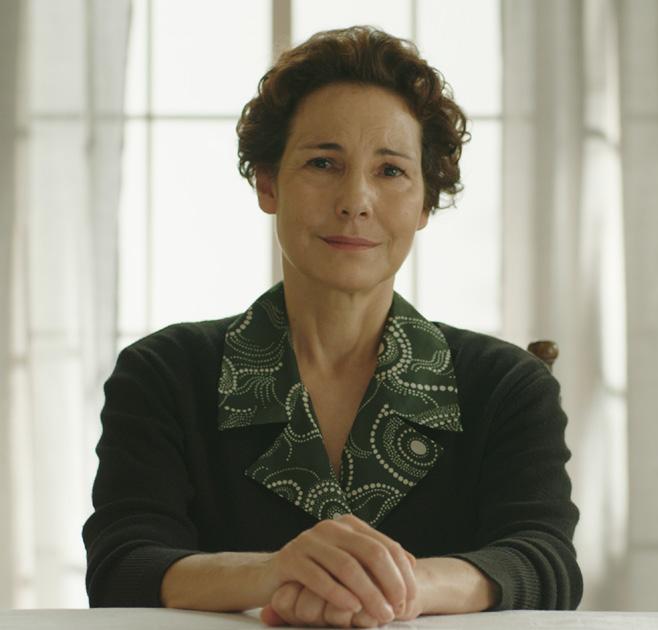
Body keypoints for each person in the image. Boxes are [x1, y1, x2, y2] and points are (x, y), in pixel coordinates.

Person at [83, 25, 582, 628]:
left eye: (391, 171)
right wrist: (276, 572)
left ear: (426, 203)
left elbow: (543, 562)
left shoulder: (507, 385)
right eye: (323, 163)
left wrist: (406, 587)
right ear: (268, 182)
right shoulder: (164, 373)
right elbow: (123, 565)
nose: (355, 200)